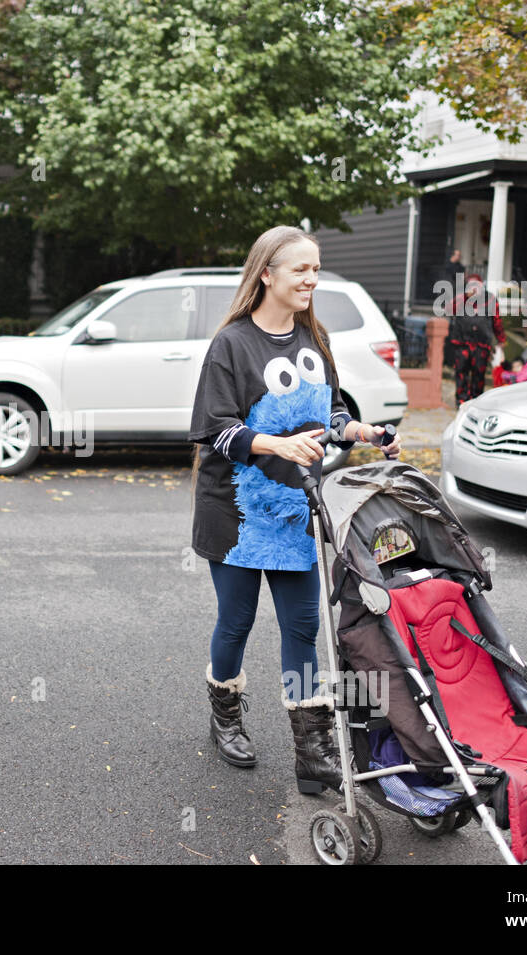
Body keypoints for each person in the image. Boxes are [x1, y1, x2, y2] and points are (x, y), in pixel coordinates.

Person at [188, 225, 400, 792]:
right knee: (235, 621)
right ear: (267, 275)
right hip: (235, 514)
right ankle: (225, 715)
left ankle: (312, 752)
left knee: (304, 626)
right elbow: (214, 431)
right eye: (300, 269)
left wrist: (364, 431)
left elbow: (327, 417)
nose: (311, 279)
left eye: (316, 268)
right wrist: (275, 444)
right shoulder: (231, 344)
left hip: (297, 508)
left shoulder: (314, 339)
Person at [446, 273, 505, 405]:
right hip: (462, 342)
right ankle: (461, 400)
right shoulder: (461, 299)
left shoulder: (490, 300)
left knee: (479, 374)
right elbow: (449, 309)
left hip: (481, 344)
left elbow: (497, 321)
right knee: (461, 372)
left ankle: (476, 401)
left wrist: (501, 339)